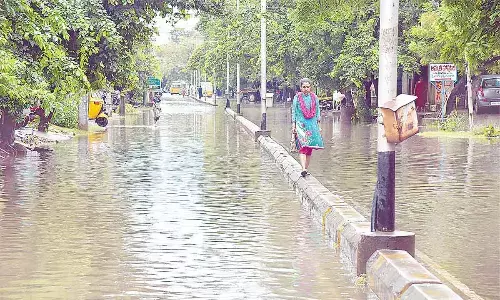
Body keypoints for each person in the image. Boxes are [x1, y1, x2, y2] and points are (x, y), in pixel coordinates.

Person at [292, 78, 324, 177]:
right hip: (301, 125)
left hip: (312, 124)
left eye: (308, 87)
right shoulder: (297, 98)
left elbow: (318, 111)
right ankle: (303, 168)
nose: (306, 89)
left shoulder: (315, 98)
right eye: (304, 87)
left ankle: (305, 169)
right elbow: (294, 112)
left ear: (310, 88)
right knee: (303, 147)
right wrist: (293, 125)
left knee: (309, 148)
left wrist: (318, 126)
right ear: (301, 88)